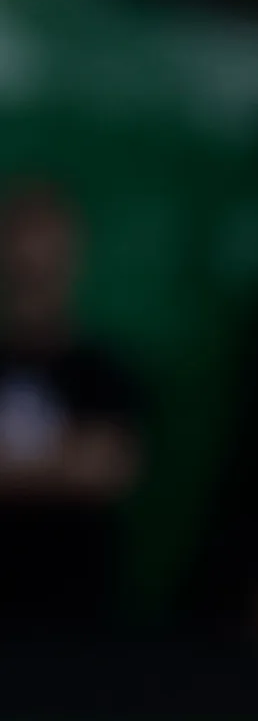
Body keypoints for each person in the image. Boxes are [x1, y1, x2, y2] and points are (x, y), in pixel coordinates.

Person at [0, 182, 141, 634]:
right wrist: (62, 462)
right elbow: (82, 466)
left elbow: (106, 470)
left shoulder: (105, 374)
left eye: (49, 259)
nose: (35, 273)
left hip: (75, 621)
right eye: (24, 259)